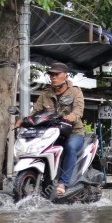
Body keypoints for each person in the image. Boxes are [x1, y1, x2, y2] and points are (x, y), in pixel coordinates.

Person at [15, 62, 84, 196]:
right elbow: (35, 112)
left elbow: (79, 109)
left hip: (73, 132)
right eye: (51, 74)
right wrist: (23, 121)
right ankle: (45, 180)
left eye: (56, 74)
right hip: (50, 132)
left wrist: (72, 116)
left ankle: (63, 183)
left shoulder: (75, 91)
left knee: (69, 147)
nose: (53, 77)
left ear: (65, 76)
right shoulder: (45, 94)